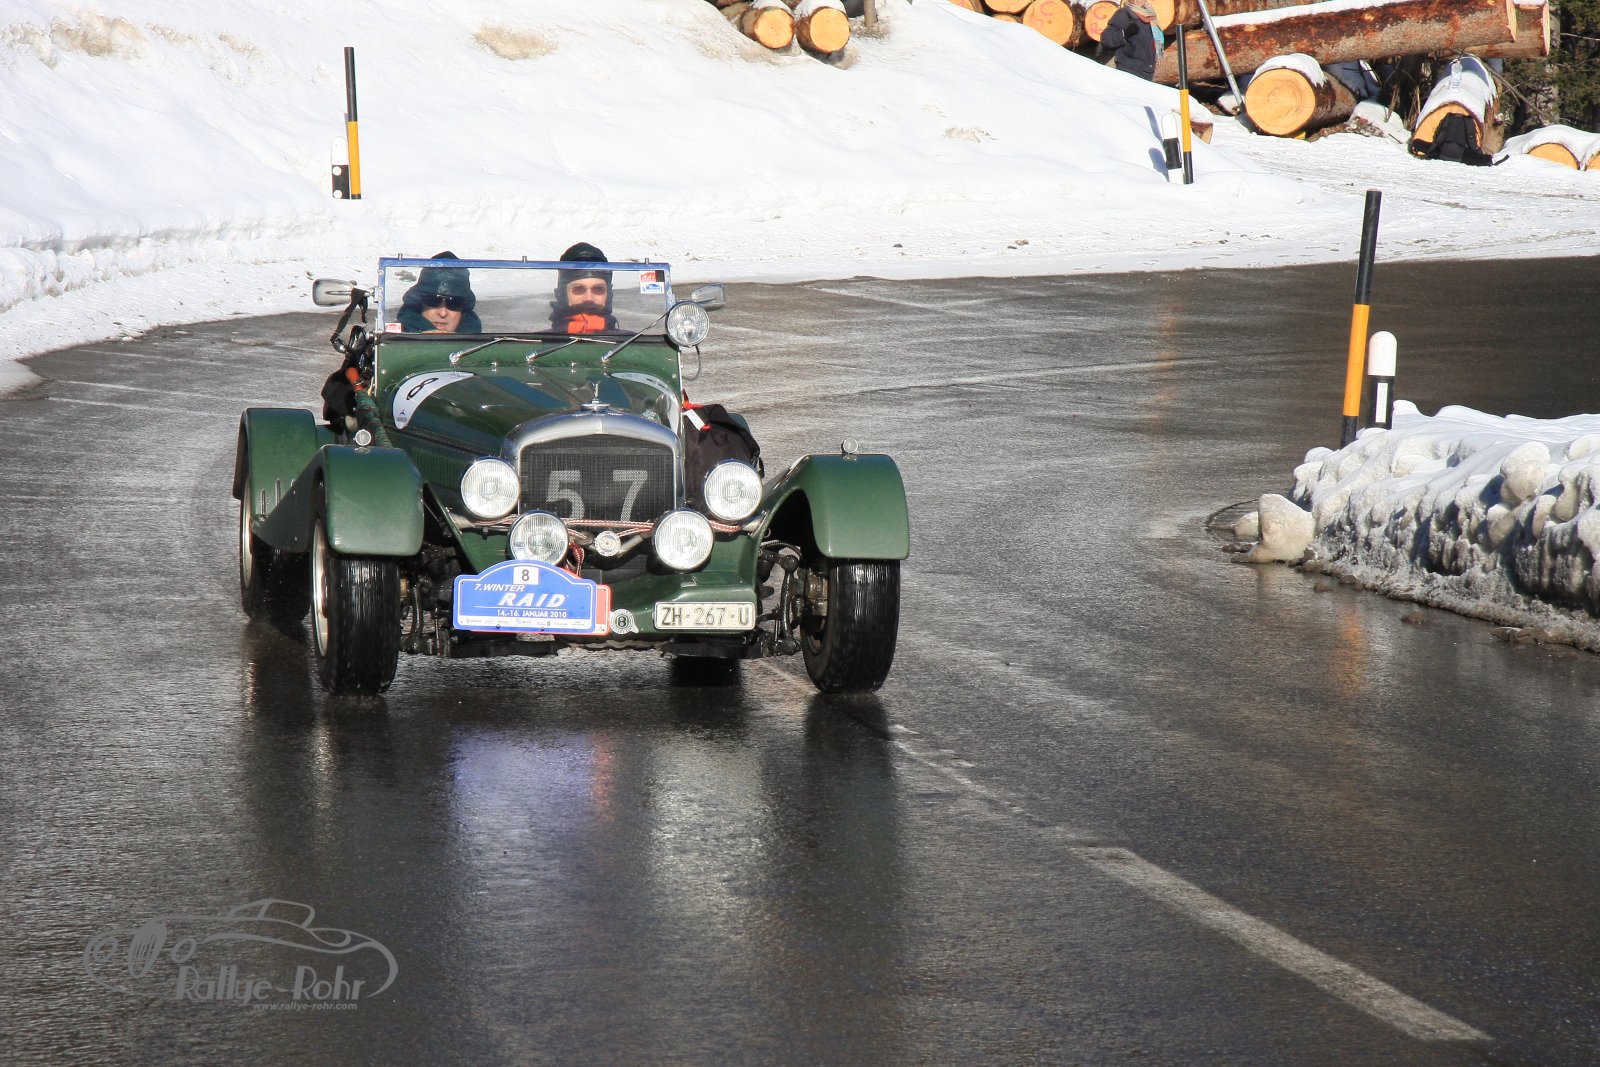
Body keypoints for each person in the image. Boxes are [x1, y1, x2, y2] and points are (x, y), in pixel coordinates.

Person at [397, 251, 482, 334]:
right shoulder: (397, 339)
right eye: (433, 301)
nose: (442, 313)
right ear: (419, 304)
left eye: (454, 303)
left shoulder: (480, 340)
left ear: (463, 309)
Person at [549, 242, 619, 334]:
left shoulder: (630, 341)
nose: (589, 298)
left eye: (598, 289)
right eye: (578, 289)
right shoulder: (538, 341)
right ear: (562, 294)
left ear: (608, 294)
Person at [1099, 1, 1160, 82]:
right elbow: (1106, 39)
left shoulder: (1150, 15)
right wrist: (1125, 33)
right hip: (1129, 70)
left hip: (1147, 71)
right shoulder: (1124, 14)